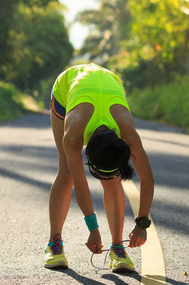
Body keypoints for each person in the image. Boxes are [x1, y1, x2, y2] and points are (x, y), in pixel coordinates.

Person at [45, 63, 154, 272]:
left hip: (108, 81)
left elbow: (147, 179)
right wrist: (93, 229)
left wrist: (142, 224)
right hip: (67, 88)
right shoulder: (74, 136)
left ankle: (117, 248)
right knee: (67, 172)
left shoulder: (128, 135)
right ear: (86, 153)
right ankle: (54, 243)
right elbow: (80, 182)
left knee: (112, 181)